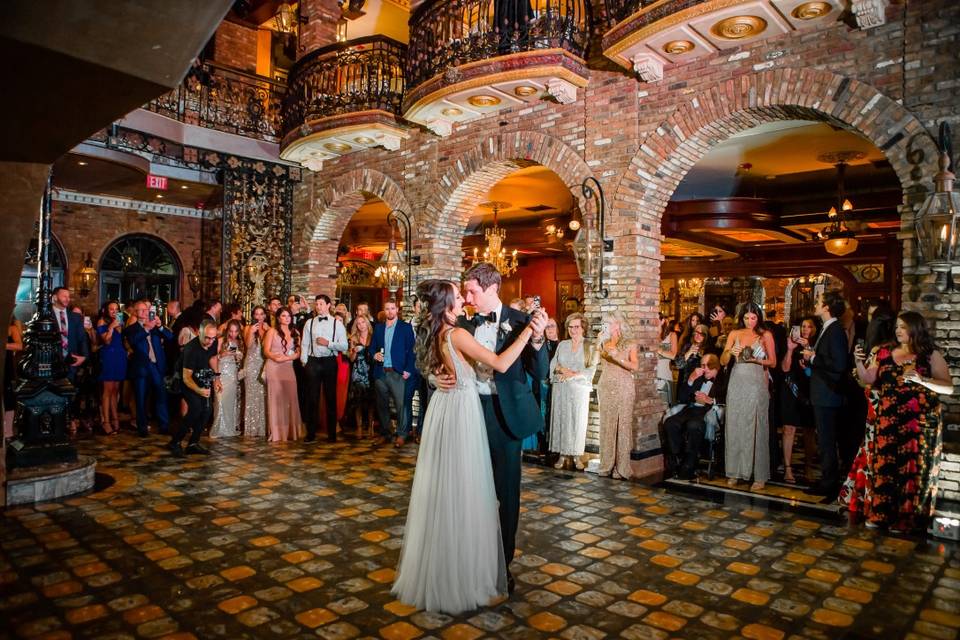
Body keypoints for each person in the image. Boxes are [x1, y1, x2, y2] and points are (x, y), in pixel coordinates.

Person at [395, 277, 545, 613]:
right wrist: (435, 377)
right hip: (465, 413)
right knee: (466, 494)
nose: (465, 298)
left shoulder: (442, 329)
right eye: (460, 295)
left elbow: (536, 370)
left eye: (470, 292)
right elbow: (499, 363)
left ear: (492, 288)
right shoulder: (459, 328)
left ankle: (486, 567)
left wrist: (533, 334)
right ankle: (467, 574)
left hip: (466, 415)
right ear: (447, 304)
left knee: (483, 494)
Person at [846, 312, 952, 531]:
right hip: (888, 422)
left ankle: (907, 520)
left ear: (915, 328)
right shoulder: (884, 352)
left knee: (912, 471)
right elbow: (868, 379)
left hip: (919, 426)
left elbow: (948, 387)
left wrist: (923, 380)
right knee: (885, 468)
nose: (898, 331)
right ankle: (881, 515)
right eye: (896, 327)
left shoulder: (929, 355)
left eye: (903, 327)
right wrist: (858, 361)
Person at [721, 302, 776, 490]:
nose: (749, 321)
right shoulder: (734, 334)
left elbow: (773, 362)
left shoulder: (765, 335)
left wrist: (756, 359)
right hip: (736, 381)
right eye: (746, 317)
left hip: (755, 382)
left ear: (758, 317)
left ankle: (758, 476)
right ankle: (735, 471)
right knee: (735, 423)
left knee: (754, 426)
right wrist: (729, 351)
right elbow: (723, 361)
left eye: (753, 317)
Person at [801, 291, 850, 498]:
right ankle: (827, 480)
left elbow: (839, 364)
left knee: (828, 441)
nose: (816, 304)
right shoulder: (827, 328)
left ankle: (829, 483)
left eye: (819, 302)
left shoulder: (835, 330)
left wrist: (813, 359)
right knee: (825, 440)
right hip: (823, 392)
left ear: (827, 307)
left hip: (828, 394)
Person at [548, 313, 595, 471]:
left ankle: (576, 455)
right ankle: (562, 454)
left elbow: (591, 369)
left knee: (576, 422)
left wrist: (574, 375)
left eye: (576, 326)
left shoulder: (590, 346)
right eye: (570, 327)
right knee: (562, 421)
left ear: (583, 328)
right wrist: (562, 369)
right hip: (561, 388)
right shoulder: (562, 345)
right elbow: (554, 363)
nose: (573, 330)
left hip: (579, 390)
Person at [664, 353, 722, 480]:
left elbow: (726, 398)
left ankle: (690, 462)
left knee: (693, 425)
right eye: (702, 365)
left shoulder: (722, 380)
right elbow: (682, 398)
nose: (704, 368)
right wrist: (690, 379)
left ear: (715, 367)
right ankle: (677, 457)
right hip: (691, 409)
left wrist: (710, 400)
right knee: (670, 422)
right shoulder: (698, 377)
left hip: (707, 412)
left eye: (707, 366)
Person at [300, 295, 348, 442]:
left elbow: (344, 346)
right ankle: (311, 433)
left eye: (321, 304)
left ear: (328, 306)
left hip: (329, 362)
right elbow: (305, 344)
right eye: (317, 304)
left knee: (330, 398)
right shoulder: (310, 322)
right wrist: (304, 361)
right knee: (312, 398)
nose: (318, 306)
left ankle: (332, 434)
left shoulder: (337, 324)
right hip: (313, 362)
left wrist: (329, 343)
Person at [597, 311, 639, 479]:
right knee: (607, 425)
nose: (606, 325)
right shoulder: (603, 342)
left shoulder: (629, 342)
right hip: (606, 385)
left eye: (609, 322)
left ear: (618, 324)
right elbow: (593, 361)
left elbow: (635, 366)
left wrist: (618, 358)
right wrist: (597, 343)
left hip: (624, 387)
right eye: (604, 322)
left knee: (622, 426)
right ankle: (606, 464)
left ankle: (621, 467)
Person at [169, 319, 219, 457]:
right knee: (195, 409)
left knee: (207, 410)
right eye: (207, 338)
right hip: (185, 379)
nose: (210, 341)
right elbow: (186, 377)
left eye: (213, 338)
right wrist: (200, 390)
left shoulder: (214, 341)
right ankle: (175, 442)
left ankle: (193, 444)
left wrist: (217, 378)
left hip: (201, 375)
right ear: (200, 333)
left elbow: (213, 358)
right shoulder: (191, 349)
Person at [371, 299, 417, 447]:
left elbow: (412, 351)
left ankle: (402, 434)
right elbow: (372, 348)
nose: (390, 311)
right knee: (382, 405)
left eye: (392, 308)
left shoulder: (405, 328)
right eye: (387, 309)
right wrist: (374, 355)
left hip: (398, 373)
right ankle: (386, 433)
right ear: (384, 311)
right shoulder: (378, 328)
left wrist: (408, 370)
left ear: (397, 310)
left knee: (401, 405)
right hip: (381, 372)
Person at [124, 300, 173, 437]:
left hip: (157, 366)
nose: (145, 312)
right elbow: (133, 341)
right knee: (140, 398)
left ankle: (164, 426)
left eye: (146, 310)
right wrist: (146, 329)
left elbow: (170, 337)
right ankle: (142, 428)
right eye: (141, 310)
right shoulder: (131, 329)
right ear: (135, 312)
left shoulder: (156, 327)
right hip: (141, 368)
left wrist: (160, 326)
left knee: (161, 396)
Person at [780, 316, 819, 484]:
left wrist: (808, 348)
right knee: (789, 428)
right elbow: (785, 368)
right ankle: (788, 468)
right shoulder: (791, 344)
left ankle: (808, 467)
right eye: (803, 326)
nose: (805, 329)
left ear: (815, 329)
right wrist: (790, 349)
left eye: (809, 327)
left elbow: (819, 367)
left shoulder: (818, 345)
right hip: (790, 388)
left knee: (809, 430)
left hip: (809, 390)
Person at [264, 308, 301, 442]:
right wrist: (275, 357)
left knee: (291, 398)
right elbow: (266, 351)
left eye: (288, 316)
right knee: (276, 400)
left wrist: (285, 359)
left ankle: (290, 431)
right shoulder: (272, 332)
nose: (287, 318)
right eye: (283, 316)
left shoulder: (295, 332)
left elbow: (298, 353)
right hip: (273, 367)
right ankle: (277, 432)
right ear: (278, 318)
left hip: (288, 367)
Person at [96, 301, 127, 435]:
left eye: (116, 309)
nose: (114, 311)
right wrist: (111, 327)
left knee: (115, 390)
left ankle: (115, 419)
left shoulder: (119, 322)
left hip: (119, 356)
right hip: (108, 356)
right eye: (111, 309)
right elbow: (107, 341)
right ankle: (106, 422)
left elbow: (121, 339)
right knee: (107, 391)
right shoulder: (102, 322)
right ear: (106, 310)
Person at [210, 319, 243, 438]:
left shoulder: (239, 343)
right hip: (221, 373)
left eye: (235, 331)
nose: (233, 334)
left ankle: (229, 428)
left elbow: (239, 361)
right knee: (220, 401)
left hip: (232, 374)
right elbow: (213, 359)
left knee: (230, 402)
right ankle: (219, 429)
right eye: (231, 331)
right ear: (227, 330)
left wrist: (238, 356)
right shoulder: (220, 341)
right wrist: (223, 354)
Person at [345, 315, 375, 438]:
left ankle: (371, 427)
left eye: (363, 322)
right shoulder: (353, 338)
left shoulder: (373, 337)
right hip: (357, 372)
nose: (361, 325)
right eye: (358, 323)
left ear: (367, 323)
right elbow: (351, 360)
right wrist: (354, 352)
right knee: (357, 401)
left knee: (371, 401)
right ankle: (359, 427)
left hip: (371, 371)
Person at [52, 287, 89, 383]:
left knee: (70, 393)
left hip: (71, 362)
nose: (67, 299)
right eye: (64, 296)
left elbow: (82, 338)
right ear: (55, 298)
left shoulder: (76, 317)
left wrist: (84, 356)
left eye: (68, 297)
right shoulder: (47, 315)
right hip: (52, 363)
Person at [242, 305, 268, 438]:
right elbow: (248, 346)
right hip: (252, 365)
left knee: (263, 397)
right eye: (256, 314)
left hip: (264, 364)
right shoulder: (248, 328)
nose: (259, 317)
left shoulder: (269, 329)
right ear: (253, 316)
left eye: (261, 314)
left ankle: (263, 428)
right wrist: (252, 332)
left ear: (265, 315)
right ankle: (251, 428)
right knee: (251, 396)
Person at [673, 323, 713, 403]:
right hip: (687, 385)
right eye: (696, 333)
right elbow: (678, 365)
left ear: (705, 336)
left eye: (701, 334)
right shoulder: (687, 346)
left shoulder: (709, 349)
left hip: (702, 386)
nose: (698, 335)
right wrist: (689, 352)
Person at [4, 316, 23, 438]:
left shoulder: (11, 328)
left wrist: (4, 345)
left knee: (8, 398)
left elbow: (19, 346)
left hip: (7, 367)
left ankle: (8, 432)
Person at [656, 314, 678, 405]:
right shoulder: (650, 335)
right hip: (653, 372)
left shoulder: (672, 335)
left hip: (664, 372)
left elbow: (673, 355)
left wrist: (659, 350)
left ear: (662, 321)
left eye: (655, 319)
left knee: (665, 403)